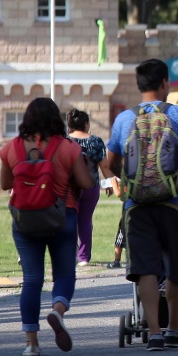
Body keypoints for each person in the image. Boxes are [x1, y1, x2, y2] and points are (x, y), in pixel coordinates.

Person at [107, 59, 178, 351]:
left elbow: (111, 162)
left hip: (137, 204)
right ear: (165, 84)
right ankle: (173, 327)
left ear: (139, 85)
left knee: (145, 268)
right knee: (176, 267)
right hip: (176, 201)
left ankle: (154, 332)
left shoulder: (124, 120)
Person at [0, 98, 94, 356]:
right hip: (63, 217)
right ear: (56, 119)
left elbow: (5, 183)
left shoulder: (12, 147)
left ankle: (31, 343)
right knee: (64, 274)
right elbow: (85, 183)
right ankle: (57, 311)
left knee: (31, 280)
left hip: (25, 221)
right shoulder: (68, 148)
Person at [67, 109, 113, 267]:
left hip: (69, 188)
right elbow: (105, 166)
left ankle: (69, 254)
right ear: (86, 124)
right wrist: (109, 183)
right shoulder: (96, 141)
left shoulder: (65, 141)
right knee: (85, 220)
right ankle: (84, 257)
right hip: (90, 186)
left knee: (70, 220)